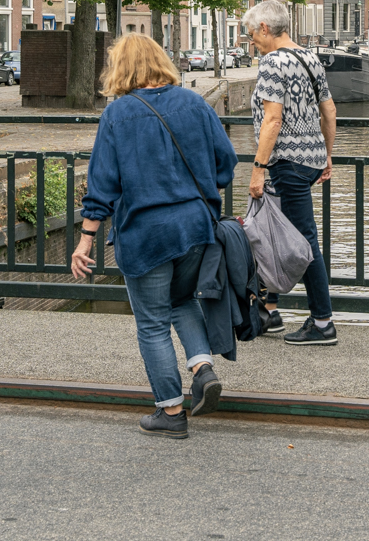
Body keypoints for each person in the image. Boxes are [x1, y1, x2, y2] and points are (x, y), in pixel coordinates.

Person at [73, 34, 238, 440]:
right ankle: (202, 368)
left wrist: (86, 238)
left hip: (147, 233)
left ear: (121, 68)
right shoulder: (195, 103)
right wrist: (202, 190)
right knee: (182, 300)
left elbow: (103, 183)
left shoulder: (118, 115)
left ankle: (171, 411)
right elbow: (226, 161)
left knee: (151, 324)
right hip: (195, 227)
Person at [242, 0, 338, 346]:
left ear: (265, 29)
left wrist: (258, 169)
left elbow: (273, 119)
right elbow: (329, 110)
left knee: (302, 240)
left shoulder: (271, 62)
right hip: (310, 161)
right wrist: (326, 155)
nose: (251, 41)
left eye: (252, 34)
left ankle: (323, 322)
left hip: (287, 163)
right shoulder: (309, 56)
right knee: (268, 230)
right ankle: (269, 310)